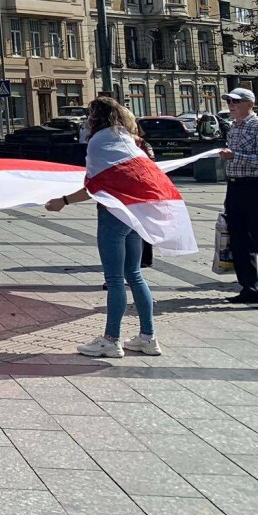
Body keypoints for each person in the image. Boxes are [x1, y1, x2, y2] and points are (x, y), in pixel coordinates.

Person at [44, 96, 161, 356]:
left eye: (89, 115)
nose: (86, 120)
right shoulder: (129, 138)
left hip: (113, 215)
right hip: (134, 214)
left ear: (96, 117)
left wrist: (63, 201)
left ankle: (110, 340)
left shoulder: (100, 142)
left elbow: (94, 185)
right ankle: (148, 337)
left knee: (115, 279)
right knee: (135, 274)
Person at [219, 87, 258, 309]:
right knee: (238, 239)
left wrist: (236, 156)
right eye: (228, 101)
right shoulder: (234, 126)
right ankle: (249, 288)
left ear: (250, 103)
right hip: (235, 186)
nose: (231, 105)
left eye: (236, 101)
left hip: (256, 186)